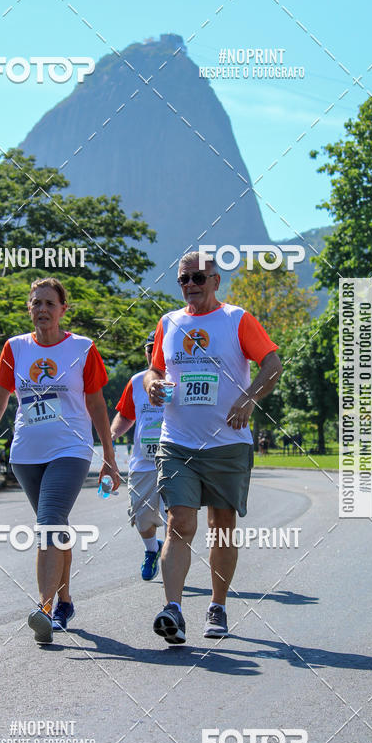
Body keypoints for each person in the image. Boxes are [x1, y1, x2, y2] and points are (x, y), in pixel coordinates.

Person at [144, 251, 282, 643]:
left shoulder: (237, 319)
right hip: (177, 442)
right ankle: (173, 609)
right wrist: (152, 383)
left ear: (216, 281)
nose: (190, 286)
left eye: (198, 279)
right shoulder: (169, 322)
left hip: (226, 445)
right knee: (180, 522)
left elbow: (272, 364)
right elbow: (156, 368)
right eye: (184, 280)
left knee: (222, 529)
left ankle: (217, 605)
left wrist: (250, 398)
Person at [0, 277, 120, 645]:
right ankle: (65, 602)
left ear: (63, 310)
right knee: (55, 526)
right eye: (36, 303)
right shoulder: (15, 348)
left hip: (70, 449)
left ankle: (43, 609)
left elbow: (97, 404)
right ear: (30, 308)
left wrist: (109, 456)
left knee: (48, 523)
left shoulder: (83, 348)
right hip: (25, 454)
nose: (42, 309)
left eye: (49, 304)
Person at [110, 330, 166, 581]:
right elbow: (125, 416)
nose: (155, 352)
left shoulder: (181, 379)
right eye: (150, 348)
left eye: (160, 347)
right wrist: (109, 437)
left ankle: (173, 565)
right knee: (142, 518)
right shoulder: (136, 382)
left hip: (175, 461)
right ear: (146, 353)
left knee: (175, 517)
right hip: (144, 462)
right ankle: (152, 550)